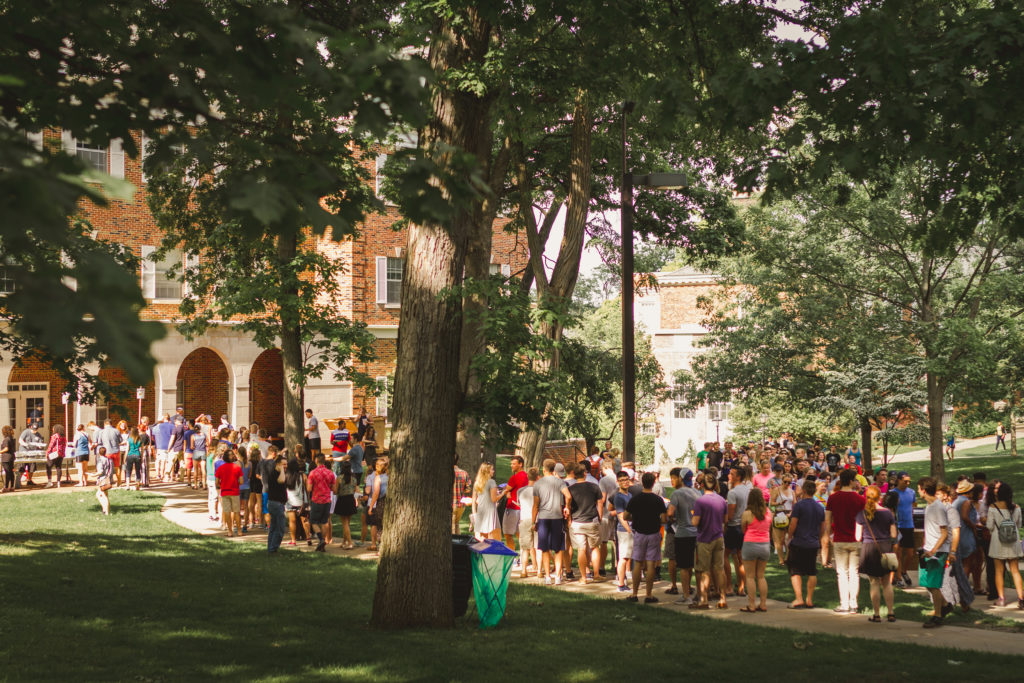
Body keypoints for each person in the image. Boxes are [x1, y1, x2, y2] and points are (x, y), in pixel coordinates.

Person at [622, 472, 667, 603]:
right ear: (653, 483)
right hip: (653, 533)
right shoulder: (658, 500)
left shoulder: (635, 499)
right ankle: (648, 594)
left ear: (642, 482)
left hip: (639, 534)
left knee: (638, 563)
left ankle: (634, 594)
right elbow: (664, 519)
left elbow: (625, 516)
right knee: (651, 564)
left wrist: (634, 517)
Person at [825, 469, 865, 614]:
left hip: (839, 539)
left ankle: (844, 604)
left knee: (842, 573)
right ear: (850, 481)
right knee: (854, 572)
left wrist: (829, 535)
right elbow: (864, 520)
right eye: (855, 479)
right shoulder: (860, 499)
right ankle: (854, 604)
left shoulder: (833, 498)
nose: (856, 482)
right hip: (856, 539)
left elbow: (828, 519)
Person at [856, 485, 897, 623]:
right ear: (880, 497)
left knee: (873, 582)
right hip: (885, 547)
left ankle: (877, 614)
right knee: (886, 582)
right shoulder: (888, 513)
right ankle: (891, 613)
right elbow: (893, 534)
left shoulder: (862, 514)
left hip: (869, 548)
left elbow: (857, 536)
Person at [690, 472, 729, 610]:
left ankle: (704, 600)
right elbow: (725, 520)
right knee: (719, 569)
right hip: (719, 537)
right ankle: (723, 598)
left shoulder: (700, 501)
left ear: (702, 485)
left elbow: (695, 522)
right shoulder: (722, 500)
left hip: (705, 538)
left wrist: (692, 515)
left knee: (704, 570)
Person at [787, 479, 826, 608]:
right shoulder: (820, 508)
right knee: (811, 571)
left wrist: (789, 536)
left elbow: (793, 523)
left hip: (799, 542)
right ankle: (809, 599)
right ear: (814, 491)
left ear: (803, 491)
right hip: (813, 543)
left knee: (795, 571)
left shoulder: (799, 505)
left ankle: (799, 598)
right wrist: (818, 538)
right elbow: (822, 527)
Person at [531, 458, 571, 586]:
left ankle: (548, 576)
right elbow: (568, 496)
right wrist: (567, 507)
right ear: (554, 469)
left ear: (544, 469)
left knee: (544, 548)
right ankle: (558, 576)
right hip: (557, 517)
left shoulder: (538, 484)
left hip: (543, 518)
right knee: (558, 549)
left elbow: (535, 505)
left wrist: (533, 522)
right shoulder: (559, 482)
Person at [918, 476, 950, 627]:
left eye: (918, 488)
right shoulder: (929, 506)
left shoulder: (938, 507)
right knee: (927, 583)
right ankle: (945, 605)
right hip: (928, 549)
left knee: (934, 584)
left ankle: (938, 616)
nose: (918, 491)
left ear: (923, 490)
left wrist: (933, 550)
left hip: (937, 552)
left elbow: (944, 533)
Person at [985, 481, 1024, 609]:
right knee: (1015, 570)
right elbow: (1018, 525)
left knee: (999, 570)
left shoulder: (993, 507)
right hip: (1013, 540)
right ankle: (1021, 598)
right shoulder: (1016, 507)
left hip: (998, 540)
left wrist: (996, 530)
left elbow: (989, 526)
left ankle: (1001, 598)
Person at [568, 463, 605, 585]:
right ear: (585, 473)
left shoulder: (571, 489)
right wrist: (599, 517)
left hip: (577, 521)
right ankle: (596, 574)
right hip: (592, 520)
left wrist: (569, 520)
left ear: (573, 474)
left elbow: (568, 505)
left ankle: (583, 577)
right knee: (595, 547)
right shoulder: (594, 486)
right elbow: (600, 503)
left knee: (581, 549)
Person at [666, 468, 699, 601]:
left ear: (681, 478)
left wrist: (672, 518)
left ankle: (686, 595)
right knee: (694, 565)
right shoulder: (697, 492)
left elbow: (670, 513)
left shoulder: (677, 494)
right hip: (696, 532)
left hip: (683, 532)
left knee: (684, 567)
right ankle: (698, 593)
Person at [740, 487, 771, 613]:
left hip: (750, 544)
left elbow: (743, 529)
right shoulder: (768, 512)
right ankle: (763, 604)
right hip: (764, 545)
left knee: (750, 577)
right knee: (761, 576)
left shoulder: (747, 513)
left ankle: (751, 605)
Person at [724, 465, 752, 596]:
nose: (729, 476)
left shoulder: (732, 493)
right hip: (744, 526)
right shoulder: (747, 490)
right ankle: (742, 587)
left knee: (725, 556)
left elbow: (730, 515)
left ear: (739, 477)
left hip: (733, 526)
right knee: (741, 558)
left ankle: (729, 586)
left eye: (732, 474)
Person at [306, 453, 336, 552]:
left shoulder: (312, 473)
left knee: (313, 521)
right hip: (327, 500)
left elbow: (309, 488)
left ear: (316, 461)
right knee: (324, 521)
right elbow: (334, 489)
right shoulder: (330, 473)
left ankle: (321, 539)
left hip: (316, 499)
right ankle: (322, 544)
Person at [891, 471, 917, 588]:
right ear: (899, 480)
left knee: (910, 553)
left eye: (909, 481)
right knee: (898, 553)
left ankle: (904, 571)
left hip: (909, 525)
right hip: (897, 526)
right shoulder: (892, 493)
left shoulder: (911, 492)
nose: (907, 483)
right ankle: (899, 578)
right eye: (905, 481)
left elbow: (913, 506)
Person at [471, 462, 504, 541]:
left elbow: (473, 500)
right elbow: (494, 499)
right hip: (490, 512)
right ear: (487, 471)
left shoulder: (477, 483)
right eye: (492, 469)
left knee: (481, 539)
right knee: (495, 540)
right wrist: (503, 493)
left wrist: (474, 513)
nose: (493, 471)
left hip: (480, 512)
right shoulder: (491, 482)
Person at [517, 467, 540, 578]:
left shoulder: (520, 491)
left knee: (524, 548)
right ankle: (540, 571)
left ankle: (523, 570)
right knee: (539, 547)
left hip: (524, 519)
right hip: (537, 519)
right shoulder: (540, 490)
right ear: (538, 477)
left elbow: (519, 504)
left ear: (527, 477)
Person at [503, 456, 529, 552]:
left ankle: (512, 557)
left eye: (514, 464)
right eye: (511, 464)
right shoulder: (527, 476)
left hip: (512, 508)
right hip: (523, 509)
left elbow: (506, 489)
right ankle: (523, 556)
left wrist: (507, 492)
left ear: (520, 464)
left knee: (507, 534)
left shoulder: (514, 477)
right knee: (520, 534)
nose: (511, 466)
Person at [216, 450, 243, 537]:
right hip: (235, 492)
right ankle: (239, 531)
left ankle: (230, 531)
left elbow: (216, 482)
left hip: (224, 492)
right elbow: (241, 481)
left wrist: (222, 484)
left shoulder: (220, 468)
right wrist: (236, 483)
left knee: (227, 512)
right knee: (236, 512)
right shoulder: (237, 467)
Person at [770, 474, 796, 565]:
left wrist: (791, 513)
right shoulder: (777, 490)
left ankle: (787, 558)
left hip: (789, 515)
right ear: (782, 481)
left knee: (790, 539)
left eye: (789, 482)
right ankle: (781, 560)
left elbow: (795, 504)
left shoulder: (792, 491)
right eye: (785, 482)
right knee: (780, 539)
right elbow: (771, 503)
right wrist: (779, 503)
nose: (787, 484)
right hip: (780, 514)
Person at [265, 454, 288, 553]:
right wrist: (282, 470)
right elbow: (282, 480)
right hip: (276, 504)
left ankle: (271, 548)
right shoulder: (274, 473)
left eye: (286, 464)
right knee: (280, 528)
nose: (285, 466)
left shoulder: (277, 473)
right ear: (277, 465)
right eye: (283, 464)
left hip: (276, 503)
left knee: (274, 527)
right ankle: (273, 548)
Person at [284, 457, 310, 545]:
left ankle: (293, 540)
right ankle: (308, 538)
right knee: (305, 520)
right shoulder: (302, 476)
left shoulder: (286, 476)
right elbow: (307, 488)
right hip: (302, 501)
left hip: (290, 501)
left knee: (292, 521)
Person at [365, 457, 389, 551]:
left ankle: (381, 547)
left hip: (380, 503)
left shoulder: (378, 478)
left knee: (379, 526)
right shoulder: (389, 476)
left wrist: (371, 507)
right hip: (388, 502)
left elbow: (375, 493)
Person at [333, 461, 358, 549]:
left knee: (345, 523)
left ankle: (350, 543)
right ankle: (344, 541)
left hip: (342, 500)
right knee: (347, 523)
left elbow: (335, 491)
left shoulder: (339, 478)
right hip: (351, 500)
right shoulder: (354, 478)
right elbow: (355, 490)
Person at [452, 457, 470, 534]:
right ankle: (458, 544)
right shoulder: (464, 473)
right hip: (461, 505)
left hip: (451, 504)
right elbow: (468, 489)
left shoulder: (447, 473)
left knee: (451, 526)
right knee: (456, 524)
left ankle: (452, 545)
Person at [0, 425, 15, 492]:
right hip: (11, 457)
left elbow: (6, 448)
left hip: (6, 458)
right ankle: (12, 486)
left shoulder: (6, 439)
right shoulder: (11, 438)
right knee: (11, 472)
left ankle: (5, 487)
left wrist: (0, 451)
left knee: (7, 472)